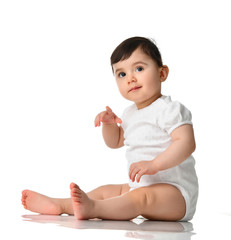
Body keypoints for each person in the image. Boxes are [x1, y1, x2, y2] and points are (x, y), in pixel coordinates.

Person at [21, 36, 198, 221]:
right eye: (121, 74)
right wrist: (109, 125)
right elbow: (115, 142)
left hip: (176, 194)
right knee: (108, 191)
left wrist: (154, 165)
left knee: (140, 197)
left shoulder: (169, 109)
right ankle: (61, 205)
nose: (130, 78)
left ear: (162, 73)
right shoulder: (130, 113)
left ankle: (95, 209)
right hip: (141, 187)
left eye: (139, 68)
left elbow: (186, 143)